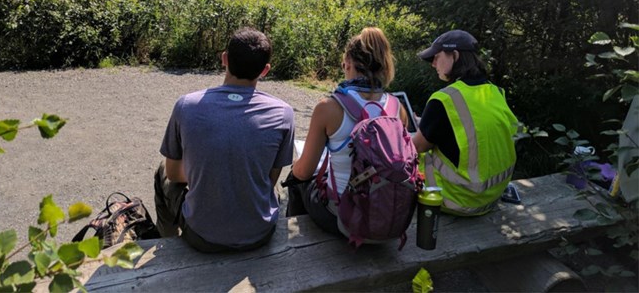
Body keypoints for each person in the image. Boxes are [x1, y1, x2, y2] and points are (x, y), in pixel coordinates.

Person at [154, 27, 295, 252]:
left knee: (162, 171)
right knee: (269, 187)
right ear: (265, 70)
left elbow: (173, 173)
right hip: (259, 234)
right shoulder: (283, 113)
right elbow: (270, 177)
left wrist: (208, 174)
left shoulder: (186, 106)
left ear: (224, 59)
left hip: (201, 236)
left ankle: (168, 243)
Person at [286, 27, 411, 235]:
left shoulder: (329, 107)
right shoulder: (397, 108)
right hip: (387, 214)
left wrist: (298, 165)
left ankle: (299, 244)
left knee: (296, 178)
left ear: (349, 63)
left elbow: (304, 172)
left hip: (344, 217)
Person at [413, 29, 518, 216]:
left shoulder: (444, 99)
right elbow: (470, 129)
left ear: (454, 55)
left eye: (436, 57)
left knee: (416, 156)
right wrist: (423, 121)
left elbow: (417, 146)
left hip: (459, 200)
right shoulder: (495, 92)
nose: (433, 64)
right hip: (492, 196)